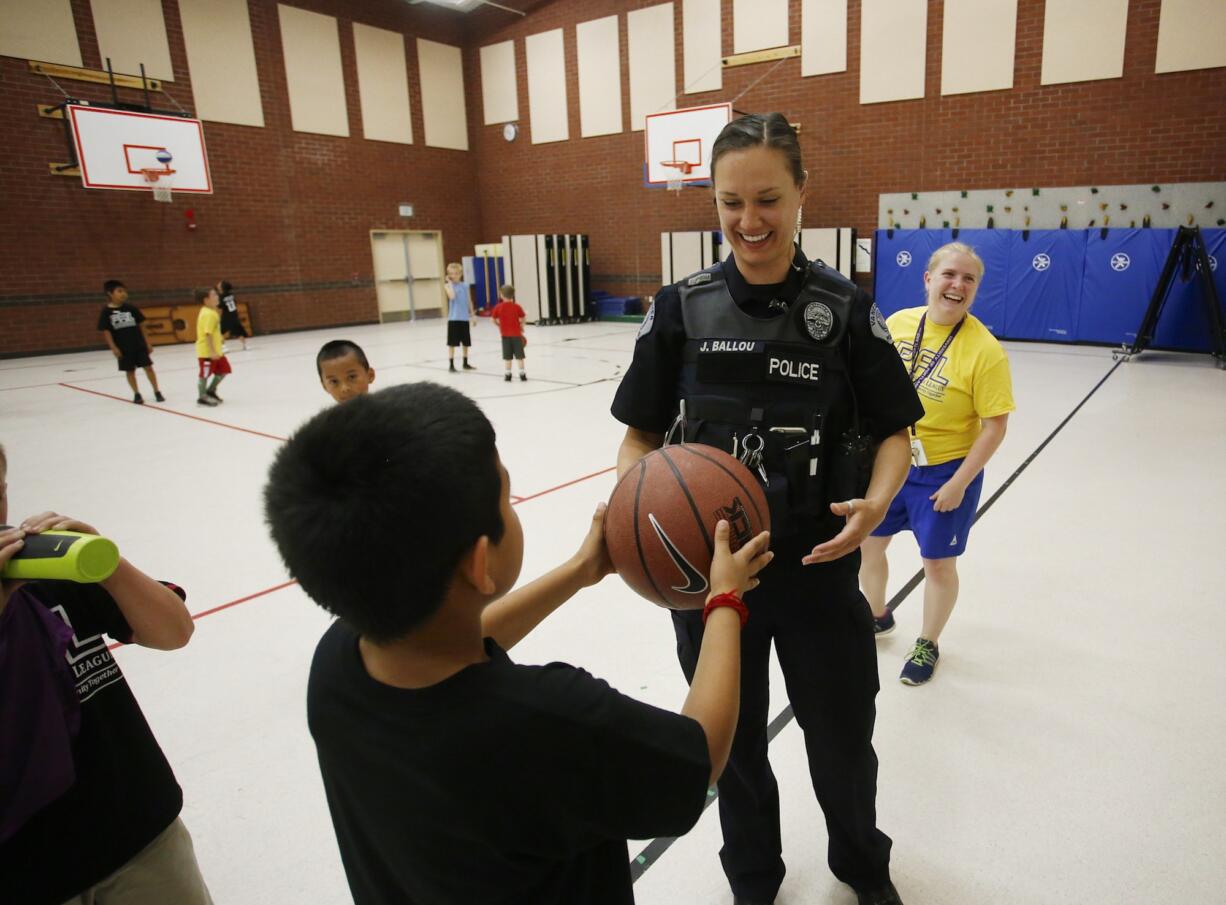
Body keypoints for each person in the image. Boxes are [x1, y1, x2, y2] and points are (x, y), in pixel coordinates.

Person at [263, 383, 772, 905]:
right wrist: (724, 601)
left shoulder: (337, 666)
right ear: (480, 563)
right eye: (507, 498)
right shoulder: (550, 719)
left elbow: (455, 635)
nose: (513, 506)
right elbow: (700, 754)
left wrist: (579, 571)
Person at [611, 113, 925, 905]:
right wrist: (642, 510)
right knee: (735, 748)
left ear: (801, 194)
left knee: (844, 745)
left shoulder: (845, 310)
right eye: (729, 203)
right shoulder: (680, 309)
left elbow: (896, 432)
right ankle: (753, 879)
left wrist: (876, 504)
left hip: (820, 572)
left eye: (767, 200)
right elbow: (639, 438)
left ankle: (862, 865)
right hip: (718, 586)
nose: (749, 221)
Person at [0, 444, 212, 905]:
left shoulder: (39, 570)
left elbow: (174, 631)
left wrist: (109, 565)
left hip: (139, 833)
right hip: (23, 878)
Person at [858, 242, 1015, 686]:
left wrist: (960, 483)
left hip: (944, 472)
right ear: (928, 279)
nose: (957, 285)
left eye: (969, 279)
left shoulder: (985, 352)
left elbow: (994, 427)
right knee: (871, 544)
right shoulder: (899, 324)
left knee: (937, 564)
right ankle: (876, 613)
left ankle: (928, 641)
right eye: (949, 274)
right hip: (890, 461)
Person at [97, 280, 164, 404]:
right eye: (119, 291)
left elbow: (142, 325)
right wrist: (113, 347)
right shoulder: (106, 312)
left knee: (148, 368)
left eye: (124, 291)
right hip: (123, 348)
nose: (123, 294)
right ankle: (137, 394)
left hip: (138, 345)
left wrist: (147, 342)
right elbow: (106, 331)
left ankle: (157, 391)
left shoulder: (131, 308)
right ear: (110, 294)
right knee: (130, 371)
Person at [195, 287, 231, 406]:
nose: (217, 297)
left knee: (224, 370)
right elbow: (207, 333)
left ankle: (210, 390)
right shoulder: (208, 314)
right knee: (205, 374)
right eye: (214, 295)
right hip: (207, 352)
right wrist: (211, 351)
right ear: (206, 299)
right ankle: (202, 396)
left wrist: (220, 341)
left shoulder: (210, 311)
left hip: (217, 351)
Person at [490, 284, 528, 382]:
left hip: (505, 336)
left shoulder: (498, 307)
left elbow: (492, 319)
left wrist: (498, 325)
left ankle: (508, 374)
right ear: (513, 295)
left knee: (508, 357)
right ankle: (522, 374)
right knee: (520, 356)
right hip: (516, 335)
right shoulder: (517, 307)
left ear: (501, 295)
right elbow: (523, 317)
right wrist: (521, 325)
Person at [444, 262, 476, 372]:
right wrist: (449, 283)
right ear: (448, 274)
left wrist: (472, 315)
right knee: (452, 343)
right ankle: (451, 364)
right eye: (452, 274)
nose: (454, 275)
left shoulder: (465, 285)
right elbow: (452, 297)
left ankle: (465, 362)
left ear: (461, 274)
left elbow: (469, 300)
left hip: (464, 318)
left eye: (457, 273)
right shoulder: (448, 286)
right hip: (453, 319)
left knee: (466, 342)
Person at [216, 280, 250, 351]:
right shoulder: (231, 295)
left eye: (219, 284)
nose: (218, 285)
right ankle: (245, 345)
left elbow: (220, 307)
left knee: (218, 332)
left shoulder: (221, 296)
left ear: (222, 287)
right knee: (238, 331)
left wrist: (217, 310)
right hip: (234, 315)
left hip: (226, 316)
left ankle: (223, 347)